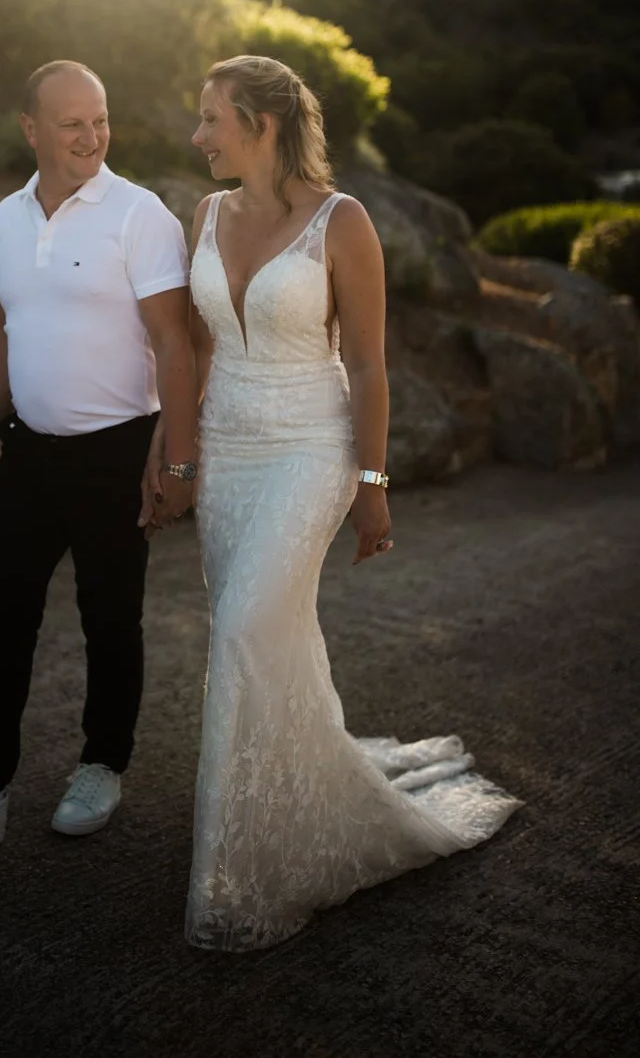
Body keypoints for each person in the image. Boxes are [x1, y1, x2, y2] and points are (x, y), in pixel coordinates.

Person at [147, 54, 521, 951]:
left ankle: (247, 872)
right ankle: (291, 801)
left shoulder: (341, 222)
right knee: (265, 636)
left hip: (311, 449)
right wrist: (175, 454)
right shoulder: (205, 213)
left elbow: (367, 364)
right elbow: (192, 349)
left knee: (242, 627)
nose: (197, 136)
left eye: (211, 119)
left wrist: (373, 483)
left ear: (262, 125)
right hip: (229, 455)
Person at [0, 61, 199, 844]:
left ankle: (103, 765)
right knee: (4, 621)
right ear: (31, 129)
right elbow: (3, 329)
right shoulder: (7, 218)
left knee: (111, 620)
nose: (91, 137)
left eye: (101, 120)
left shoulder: (140, 214)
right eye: (71, 123)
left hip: (116, 453)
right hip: (28, 453)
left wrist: (181, 464)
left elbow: (176, 343)